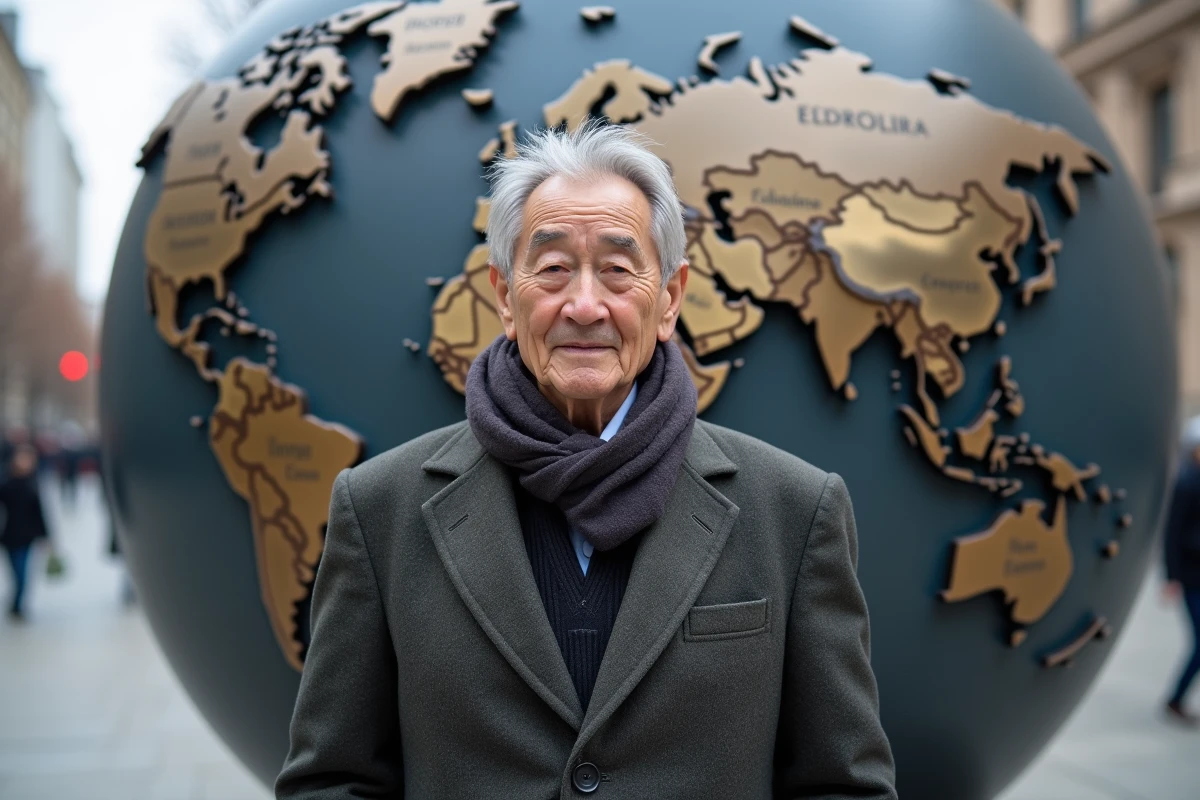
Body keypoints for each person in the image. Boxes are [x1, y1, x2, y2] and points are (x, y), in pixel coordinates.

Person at [276, 124, 897, 798]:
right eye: (551, 269)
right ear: (502, 296)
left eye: (618, 269)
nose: (584, 304)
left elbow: (842, 784)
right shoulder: (380, 511)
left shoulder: (793, 512)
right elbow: (333, 781)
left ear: (670, 299)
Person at [1164, 441, 1200, 726]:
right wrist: (1171, 576)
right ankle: (1175, 699)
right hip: (1191, 576)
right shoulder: (1186, 483)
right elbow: (1172, 533)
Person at [0, 444, 50, 621]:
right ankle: (15, 602)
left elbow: (40, 512)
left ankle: (17, 605)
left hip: (27, 536)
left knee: (23, 574)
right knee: (15, 572)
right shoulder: (6, 483)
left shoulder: (33, 483)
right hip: (9, 535)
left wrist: (46, 536)